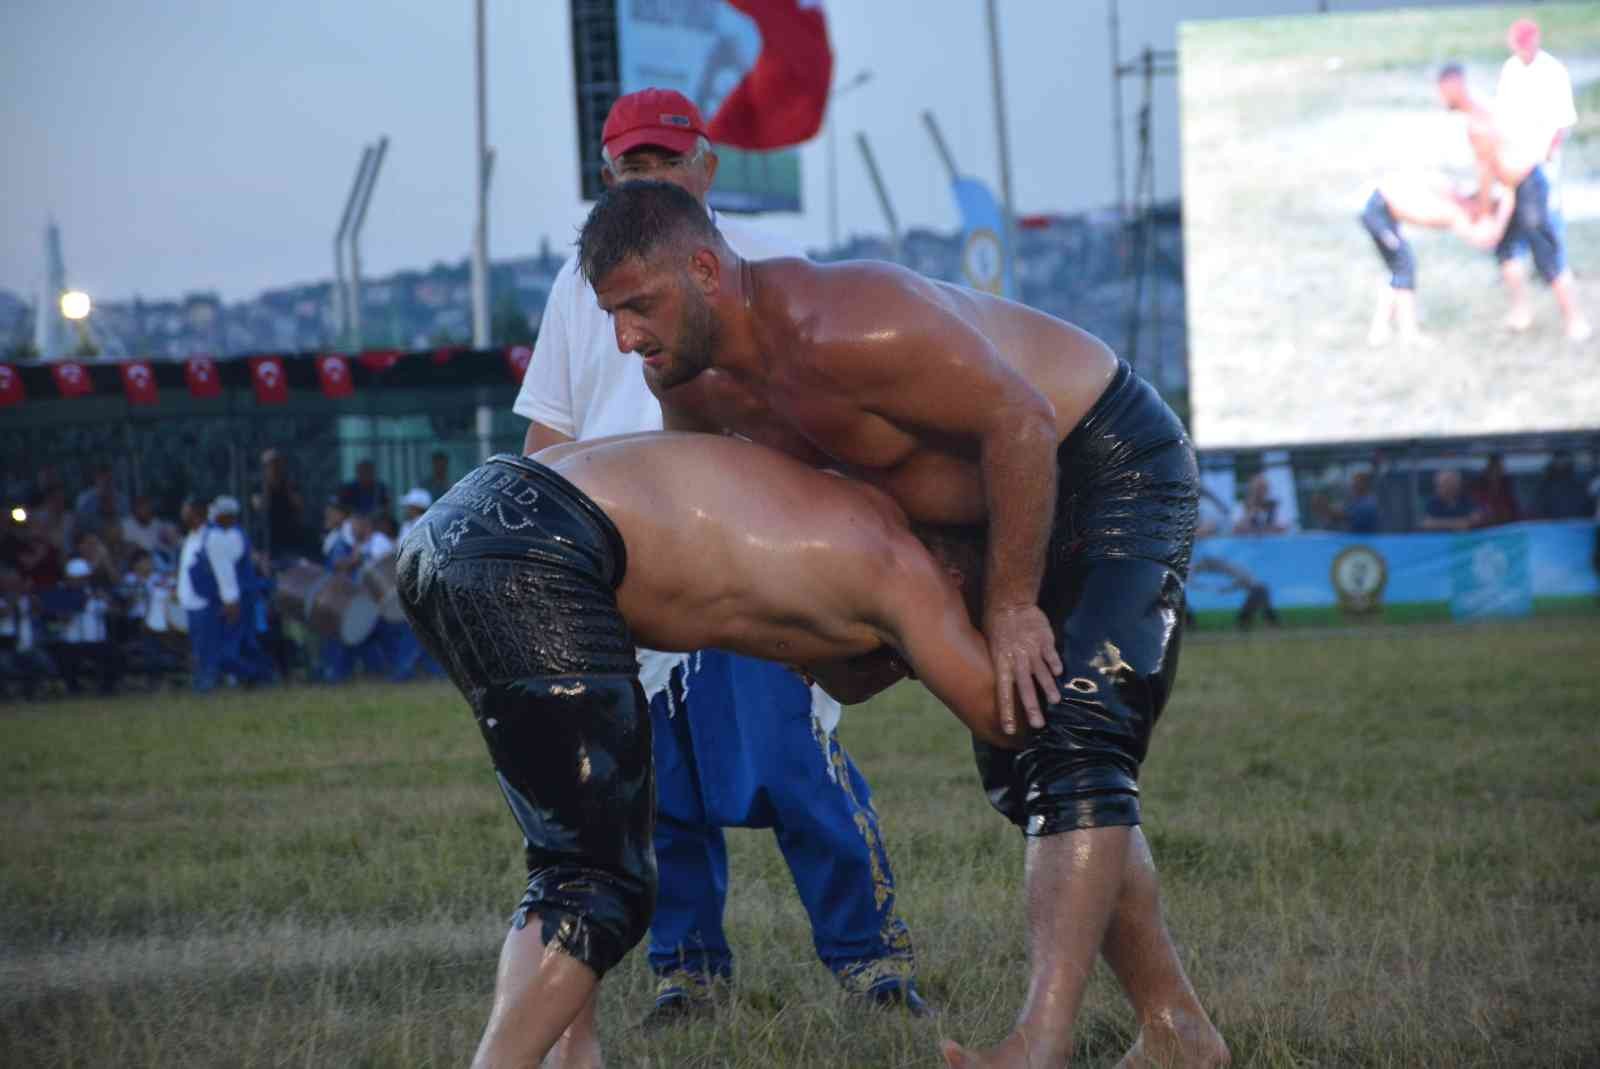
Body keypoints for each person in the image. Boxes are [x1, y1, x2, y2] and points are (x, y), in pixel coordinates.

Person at [577, 180, 1227, 1068]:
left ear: (704, 268)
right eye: (612, 314)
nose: (626, 338)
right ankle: (1178, 1029)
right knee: (1028, 763)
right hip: (971, 526)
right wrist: (823, 638)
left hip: (1100, 461)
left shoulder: (848, 321)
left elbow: (1022, 422)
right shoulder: (688, 384)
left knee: (1074, 738)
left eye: (639, 306)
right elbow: (737, 522)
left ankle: (1037, 1045)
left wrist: (1010, 604)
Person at [396, 437, 1010, 1069]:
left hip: (456, 526)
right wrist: (1024, 633)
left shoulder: (830, 515)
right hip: (540, 548)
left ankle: (573, 1059)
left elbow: (837, 677)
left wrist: (906, 658)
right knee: (596, 883)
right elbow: (1002, 717)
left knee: (573, 864)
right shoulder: (906, 570)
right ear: (957, 579)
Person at [514, 87, 928, 1024]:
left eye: (667, 159)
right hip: (627, 555)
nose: (649, 176)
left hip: (749, 546)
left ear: (707, 165)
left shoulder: (749, 267)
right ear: (607, 171)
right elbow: (553, 426)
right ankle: (688, 971)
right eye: (633, 162)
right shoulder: (577, 284)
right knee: (654, 783)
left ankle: (871, 961)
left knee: (792, 758)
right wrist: (540, 550)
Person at [1438, 63, 1590, 340]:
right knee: (1507, 250)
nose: (1440, 98)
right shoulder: (1479, 114)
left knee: (1546, 254)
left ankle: (1576, 321)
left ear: (1454, 86)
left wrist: (1485, 215)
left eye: (1441, 91)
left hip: (1528, 184)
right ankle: (1521, 314)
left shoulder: (1478, 122)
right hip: (1513, 185)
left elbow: (1486, 171)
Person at [1358, 171, 1514, 346]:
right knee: (1404, 267)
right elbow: (1484, 241)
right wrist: (1503, 215)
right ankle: (1407, 333)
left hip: (1380, 208)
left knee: (1398, 271)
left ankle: (1380, 330)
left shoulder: (1454, 203)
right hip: (1377, 209)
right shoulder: (1455, 211)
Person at [205, 496, 275, 686]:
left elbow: (226, 571)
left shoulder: (227, 536)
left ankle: (260, 675)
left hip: (239, 598)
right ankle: (263, 676)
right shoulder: (229, 534)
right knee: (246, 644)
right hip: (240, 596)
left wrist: (230, 601)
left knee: (230, 650)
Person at [253, 448, 311, 563]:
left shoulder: (291, 483)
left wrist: (286, 486)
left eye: (276, 464)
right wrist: (268, 486)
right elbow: (259, 507)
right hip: (267, 534)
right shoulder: (258, 485)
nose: (273, 468)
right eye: (269, 465)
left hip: (289, 532)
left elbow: (299, 505)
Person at [1470, 453, 1521, 527]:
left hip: (1506, 523)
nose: (1499, 471)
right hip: (1484, 524)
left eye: (1501, 468)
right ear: (1489, 468)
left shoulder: (1506, 484)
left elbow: (1514, 506)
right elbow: (1476, 506)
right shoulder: (1478, 485)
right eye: (1496, 468)